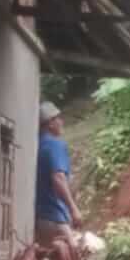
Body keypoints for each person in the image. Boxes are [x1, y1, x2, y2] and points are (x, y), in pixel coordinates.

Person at [35, 101, 81, 245]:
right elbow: (58, 178)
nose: (62, 122)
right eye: (58, 118)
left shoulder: (37, 145)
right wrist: (74, 209)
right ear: (50, 123)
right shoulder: (55, 144)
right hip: (55, 216)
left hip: (40, 218)